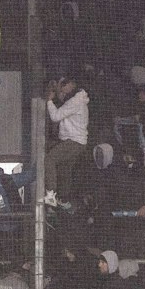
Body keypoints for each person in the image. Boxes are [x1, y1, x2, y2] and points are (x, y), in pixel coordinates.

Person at [45, 76, 90, 206]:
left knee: (50, 159)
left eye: (63, 85)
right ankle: (63, 200)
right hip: (78, 142)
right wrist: (57, 91)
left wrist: (49, 101)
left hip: (73, 142)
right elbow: (62, 100)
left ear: (71, 84)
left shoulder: (75, 102)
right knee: (65, 169)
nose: (62, 88)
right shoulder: (78, 98)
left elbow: (55, 116)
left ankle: (51, 196)